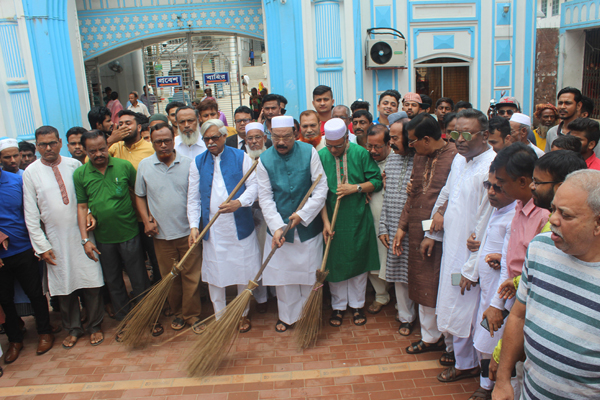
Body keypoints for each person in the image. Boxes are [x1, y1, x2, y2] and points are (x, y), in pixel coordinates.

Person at [492, 170, 600, 400]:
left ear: (598, 223)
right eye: (553, 209)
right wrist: (503, 379)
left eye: (566, 215)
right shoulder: (540, 247)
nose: (552, 219)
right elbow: (519, 315)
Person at [426, 109, 496, 383]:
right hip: (452, 248)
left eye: (467, 134)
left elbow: (485, 218)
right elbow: (447, 191)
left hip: (471, 256)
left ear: (486, 135)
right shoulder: (459, 159)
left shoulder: (492, 167)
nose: (459, 140)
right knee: (452, 301)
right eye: (455, 134)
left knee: (466, 306)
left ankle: (468, 364)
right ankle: (456, 354)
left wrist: (471, 265)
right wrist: (434, 224)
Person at [23, 126, 105, 349]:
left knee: (91, 281)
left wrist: (89, 215)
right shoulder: (31, 172)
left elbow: (87, 198)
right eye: (42, 145)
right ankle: (74, 329)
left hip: (82, 234)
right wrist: (41, 246)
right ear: (37, 146)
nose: (48, 148)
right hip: (54, 240)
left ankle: (95, 326)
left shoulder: (75, 165)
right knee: (64, 286)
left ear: (60, 142)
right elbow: (31, 213)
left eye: (52, 143)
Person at [74, 130, 159, 337]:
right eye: (92, 151)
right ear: (86, 151)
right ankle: (125, 320)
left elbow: (140, 194)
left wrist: (148, 217)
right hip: (102, 238)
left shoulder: (124, 167)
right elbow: (82, 207)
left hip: (129, 232)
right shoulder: (80, 174)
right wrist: (85, 239)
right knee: (113, 281)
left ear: (108, 146)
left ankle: (148, 317)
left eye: (102, 148)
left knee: (139, 278)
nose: (99, 154)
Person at [392, 113, 457, 358]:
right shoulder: (420, 157)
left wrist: (433, 230)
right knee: (422, 283)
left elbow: (453, 197)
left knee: (443, 285)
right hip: (420, 231)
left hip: (446, 234)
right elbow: (414, 193)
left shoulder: (456, 157)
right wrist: (402, 227)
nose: (410, 146)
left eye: (413, 141)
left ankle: (450, 342)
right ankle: (430, 337)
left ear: (427, 139)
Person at [188, 119, 261, 333]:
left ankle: (242, 314)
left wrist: (240, 202)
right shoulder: (198, 162)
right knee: (215, 275)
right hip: (213, 230)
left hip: (240, 226)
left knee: (243, 271)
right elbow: (193, 198)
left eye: (214, 137)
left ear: (223, 136)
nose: (211, 142)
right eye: (206, 139)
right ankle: (220, 318)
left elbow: (254, 186)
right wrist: (194, 226)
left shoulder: (241, 157)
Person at [257, 115, 328, 332]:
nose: (280, 142)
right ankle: (288, 318)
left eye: (286, 137)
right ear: (270, 134)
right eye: (275, 137)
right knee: (284, 278)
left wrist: (304, 215)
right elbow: (265, 198)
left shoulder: (309, 152)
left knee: (309, 277)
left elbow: (321, 187)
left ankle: (309, 317)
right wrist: (277, 227)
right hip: (279, 229)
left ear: (295, 134)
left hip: (309, 229)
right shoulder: (264, 160)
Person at [135, 122, 203, 333]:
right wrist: (146, 220)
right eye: (158, 142)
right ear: (151, 142)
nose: (163, 145)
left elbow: (196, 197)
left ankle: (192, 315)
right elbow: (139, 195)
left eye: (166, 140)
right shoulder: (145, 166)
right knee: (170, 277)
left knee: (191, 276)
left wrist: (194, 226)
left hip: (187, 233)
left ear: (174, 137)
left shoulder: (189, 163)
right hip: (161, 235)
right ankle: (177, 314)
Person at [319, 118, 383, 327]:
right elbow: (317, 194)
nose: (333, 150)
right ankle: (338, 307)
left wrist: (354, 188)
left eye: (338, 146)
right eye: (330, 146)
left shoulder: (360, 153)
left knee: (358, 261)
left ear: (347, 139)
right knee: (334, 263)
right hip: (332, 217)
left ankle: (357, 305)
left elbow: (376, 181)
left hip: (357, 216)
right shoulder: (320, 156)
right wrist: (325, 223)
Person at [469, 165, 517, 400]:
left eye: (498, 187)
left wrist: (499, 259)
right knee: (483, 340)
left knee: (492, 341)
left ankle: (489, 387)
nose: (490, 192)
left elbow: (511, 260)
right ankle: (484, 383)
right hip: (487, 292)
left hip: (500, 298)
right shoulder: (496, 209)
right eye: (488, 186)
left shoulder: (514, 215)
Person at [0, 163, 55, 364]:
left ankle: (44, 332)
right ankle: (14, 340)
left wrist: (38, 243)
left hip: (23, 247)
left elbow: (32, 212)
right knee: (5, 299)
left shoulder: (17, 180)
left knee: (35, 293)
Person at [378, 115, 416, 334]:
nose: (390, 143)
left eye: (394, 138)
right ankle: (405, 317)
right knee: (400, 277)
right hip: (393, 226)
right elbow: (387, 194)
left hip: (415, 229)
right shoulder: (392, 159)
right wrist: (383, 226)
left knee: (416, 275)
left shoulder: (422, 159)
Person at [365, 124, 395, 316]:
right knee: (374, 255)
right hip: (370, 216)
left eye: (378, 147)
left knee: (392, 255)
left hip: (393, 216)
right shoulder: (364, 160)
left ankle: (399, 297)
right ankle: (381, 295)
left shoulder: (398, 160)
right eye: (370, 146)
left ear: (389, 144)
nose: (373, 151)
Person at [544, 87, 583, 153]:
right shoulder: (552, 132)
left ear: (578, 106)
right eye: (560, 103)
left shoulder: (586, 132)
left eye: (568, 103)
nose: (562, 107)